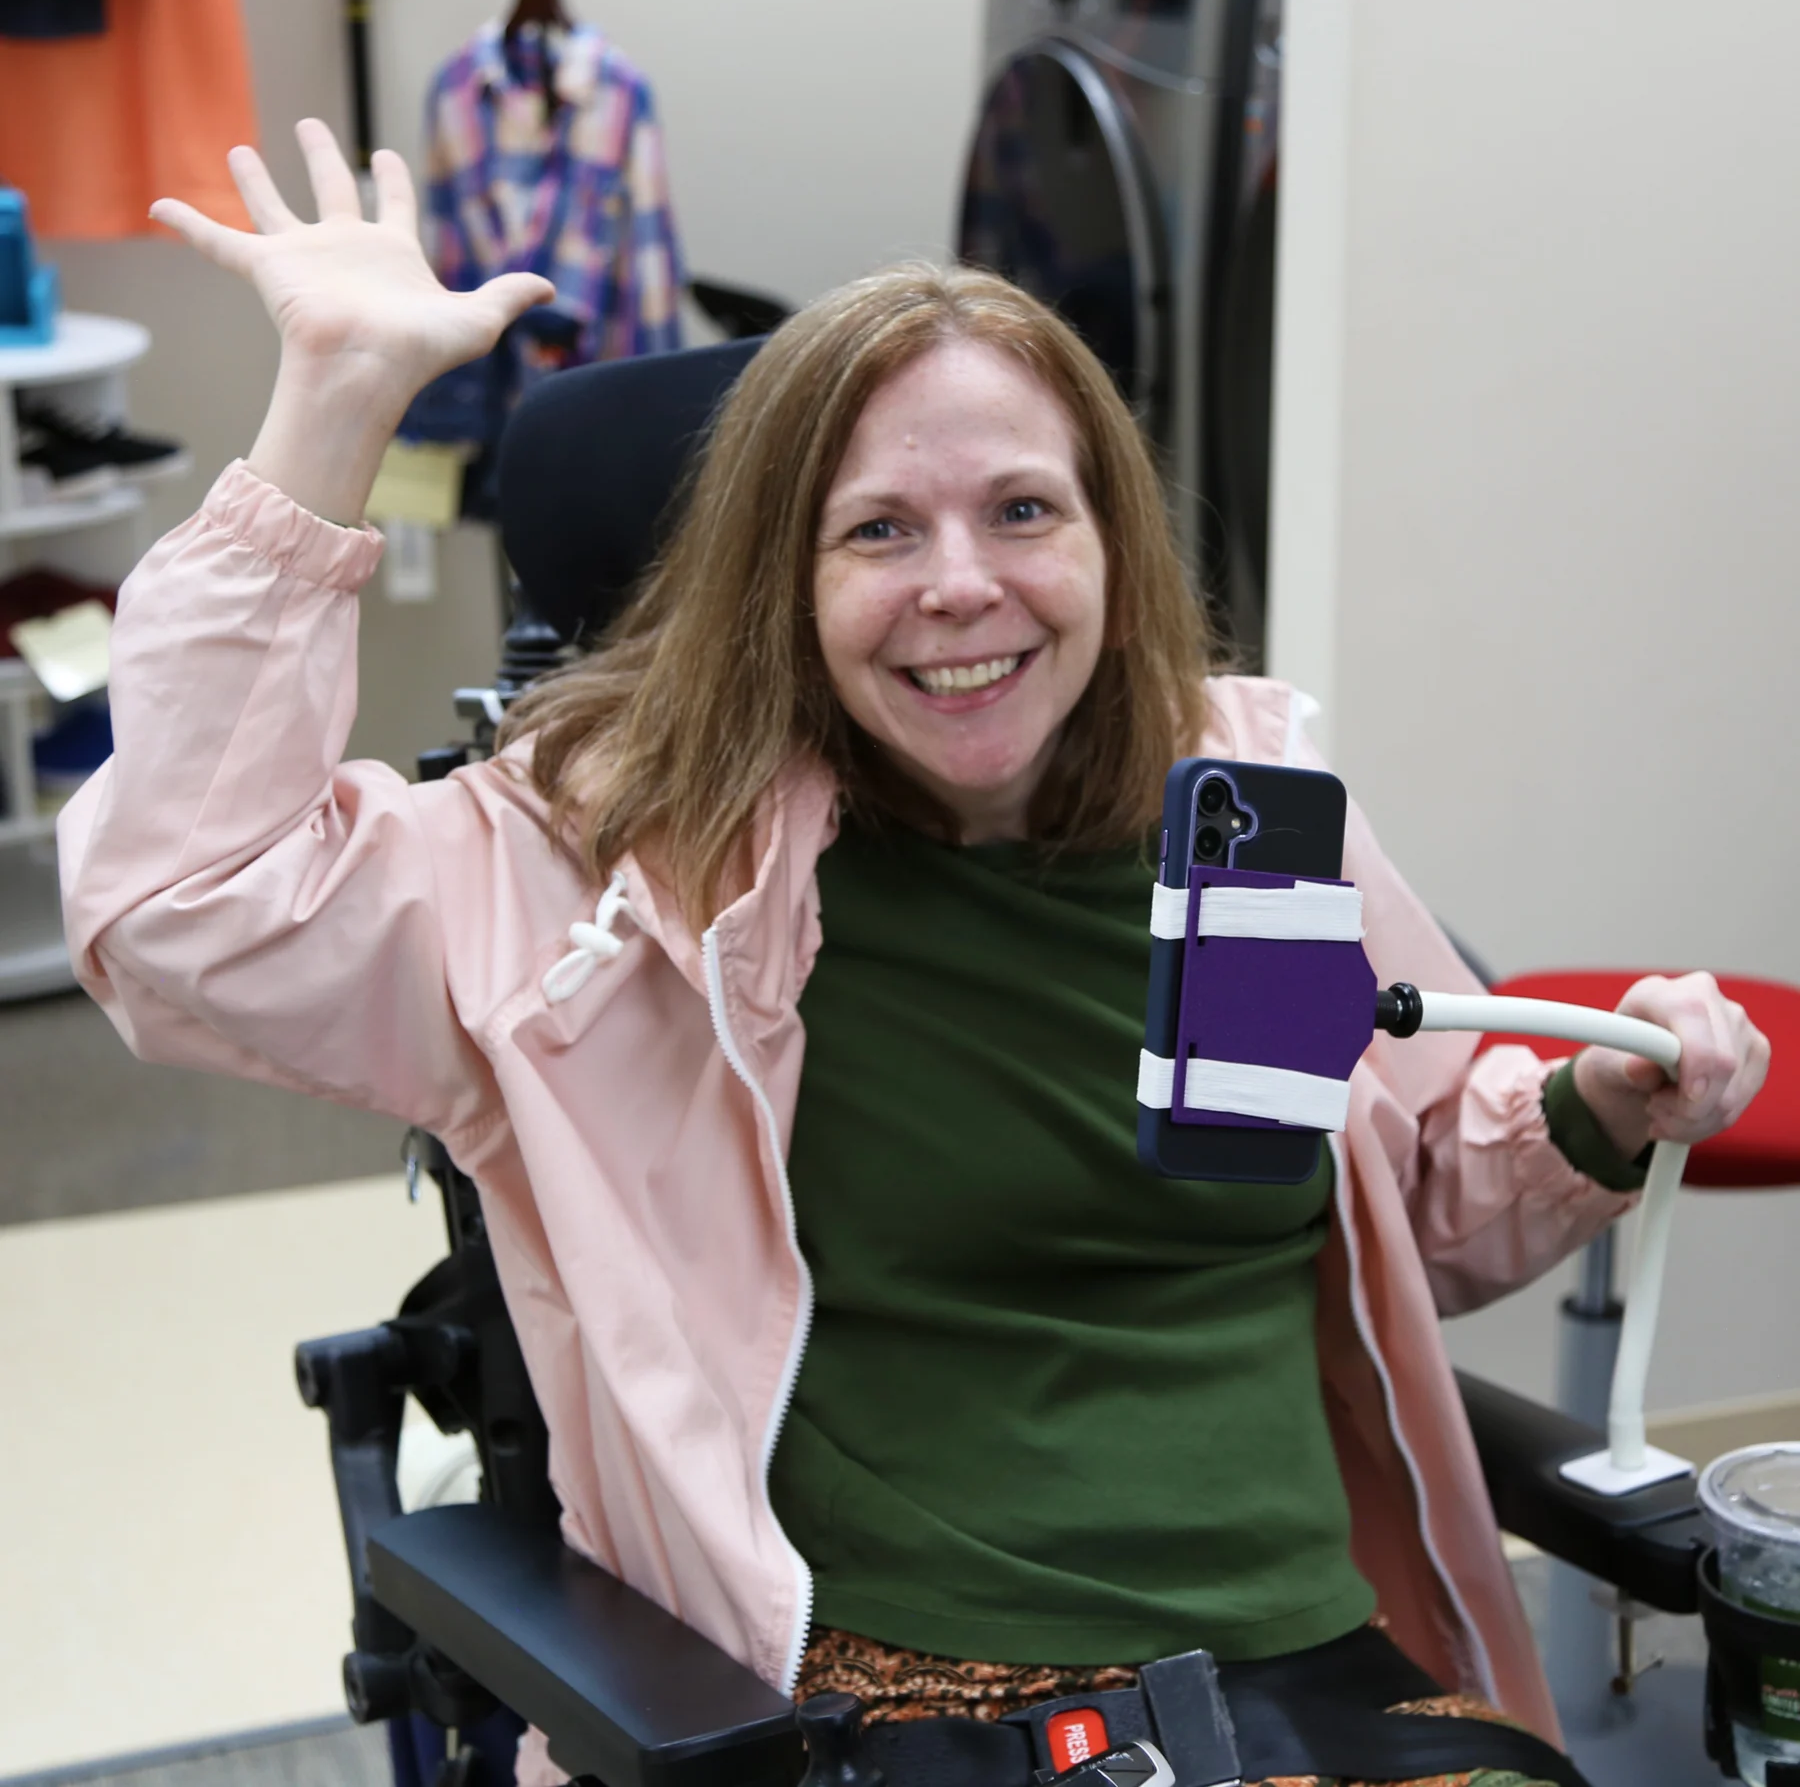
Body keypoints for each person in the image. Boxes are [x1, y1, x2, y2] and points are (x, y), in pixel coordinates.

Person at [59, 123, 1768, 1787]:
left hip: (1320, 1699)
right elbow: (177, 917)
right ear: (778, 579)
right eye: (880, 531)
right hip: (892, 1714)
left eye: (1025, 511)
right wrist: (334, 402)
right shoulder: (628, 875)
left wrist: (1591, 1114)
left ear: (1111, 544)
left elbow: (1415, 1221)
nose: (965, 586)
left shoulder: (1233, 818)